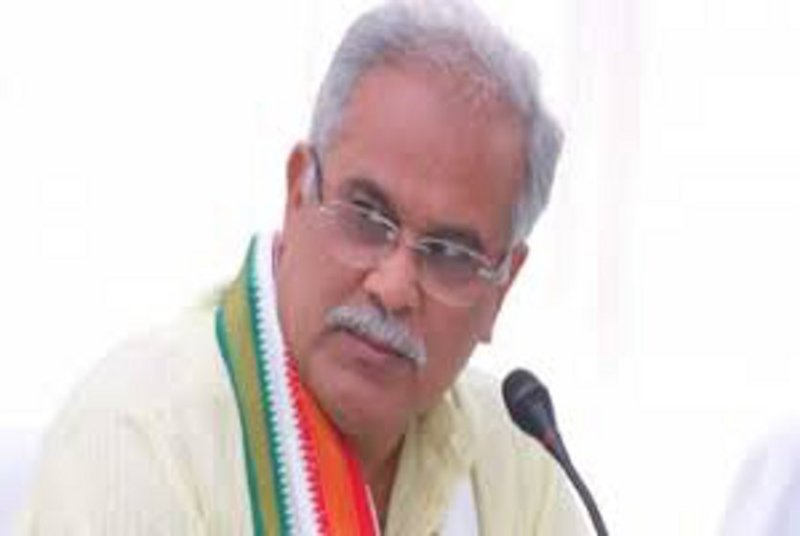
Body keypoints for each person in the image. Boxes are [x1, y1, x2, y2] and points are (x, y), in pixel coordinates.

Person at [20, 1, 589, 534]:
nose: (393, 288)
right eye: (367, 216)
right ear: (297, 193)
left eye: (450, 255)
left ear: (501, 289)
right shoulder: (141, 437)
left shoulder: (517, 461)